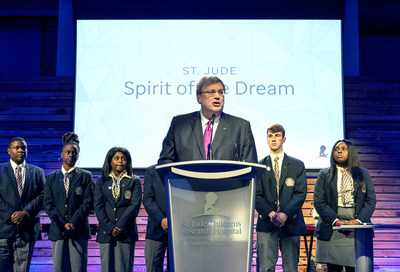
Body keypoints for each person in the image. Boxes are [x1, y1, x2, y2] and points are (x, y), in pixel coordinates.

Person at [158, 75, 257, 164]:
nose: (217, 96)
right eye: (211, 92)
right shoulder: (179, 125)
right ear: (199, 97)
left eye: (221, 92)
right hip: (186, 183)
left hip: (227, 184)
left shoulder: (241, 127)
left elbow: (251, 166)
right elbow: (165, 161)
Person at [314, 139, 376, 272]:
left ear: (351, 152)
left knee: (354, 267)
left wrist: (358, 221)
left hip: (357, 229)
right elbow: (319, 201)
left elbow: (370, 201)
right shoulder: (324, 174)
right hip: (331, 226)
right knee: (333, 268)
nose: (339, 151)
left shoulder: (363, 174)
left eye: (343, 149)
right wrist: (336, 221)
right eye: (336, 149)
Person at [255, 124, 307, 272]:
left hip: (291, 222)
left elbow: (300, 193)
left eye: (277, 135)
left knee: (291, 268)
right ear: (266, 140)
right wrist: (271, 214)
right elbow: (256, 195)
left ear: (283, 139)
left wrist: (284, 214)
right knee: (266, 268)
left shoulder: (297, 165)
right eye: (270, 136)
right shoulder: (259, 166)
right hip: (266, 222)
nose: (273, 139)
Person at [43, 132, 94, 272]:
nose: (71, 155)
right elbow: (48, 204)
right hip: (58, 230)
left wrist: (73, 222)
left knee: (78, 268)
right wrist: (62, 224)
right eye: (68, 152)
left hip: (79, 230)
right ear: (62, 154)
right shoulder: (51, 178)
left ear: (78, 154)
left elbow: (88, 202)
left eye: (74, 152)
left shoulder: (86, 176)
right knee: (59, 268)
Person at [0, 137, 45, 272]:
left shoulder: (38, 172)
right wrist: (13, 215)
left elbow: (43, 195)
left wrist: (25, 213)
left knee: (22, 269)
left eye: (23, 147)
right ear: (9, 151)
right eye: (17, 148)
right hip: (3, 227)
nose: (21, 150)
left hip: (27, 227)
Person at [94, 147, 142, 272]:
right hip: (106, 232)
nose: (120, 161)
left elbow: (134, 205)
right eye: (116, 158)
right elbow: (98, 206)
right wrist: (110, 227)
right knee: (106, 268)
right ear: (110, 161)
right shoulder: (102, 181)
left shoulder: (134, 180)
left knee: (124, 268)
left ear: (127, 161)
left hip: (126, 232)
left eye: (123, 158)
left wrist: (120, 226)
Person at [143, 165, 169, 272]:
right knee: (152, 266)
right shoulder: (151, 171)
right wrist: (161, 220)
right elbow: (148, 200)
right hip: (156, 228)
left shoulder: (184, 168)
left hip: (181, 228)